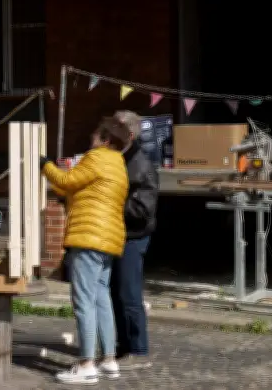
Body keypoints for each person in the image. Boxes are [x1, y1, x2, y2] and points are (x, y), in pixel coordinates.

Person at [40, 116, 130, 385]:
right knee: (101, 298)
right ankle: (109, 360)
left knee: (83, 302)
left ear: (105, 140)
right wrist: (59, 182)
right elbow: (77, 187)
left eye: (94, 135)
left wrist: (45, 165)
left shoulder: (96, 157)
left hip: (88, 236)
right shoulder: (118, 165)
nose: (90, 139)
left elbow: (68, 181)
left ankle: (86, 364)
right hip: (109, 239)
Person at [112, 111, 158, 370]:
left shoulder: (140, 165)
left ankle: (138, 350)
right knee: (114, 293)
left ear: (129, 135)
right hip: (117, 234)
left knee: (129, 294)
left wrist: (112, 202)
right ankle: (122, 346)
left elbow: (142, 210)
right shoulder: (118, 159)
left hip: (133, 237)